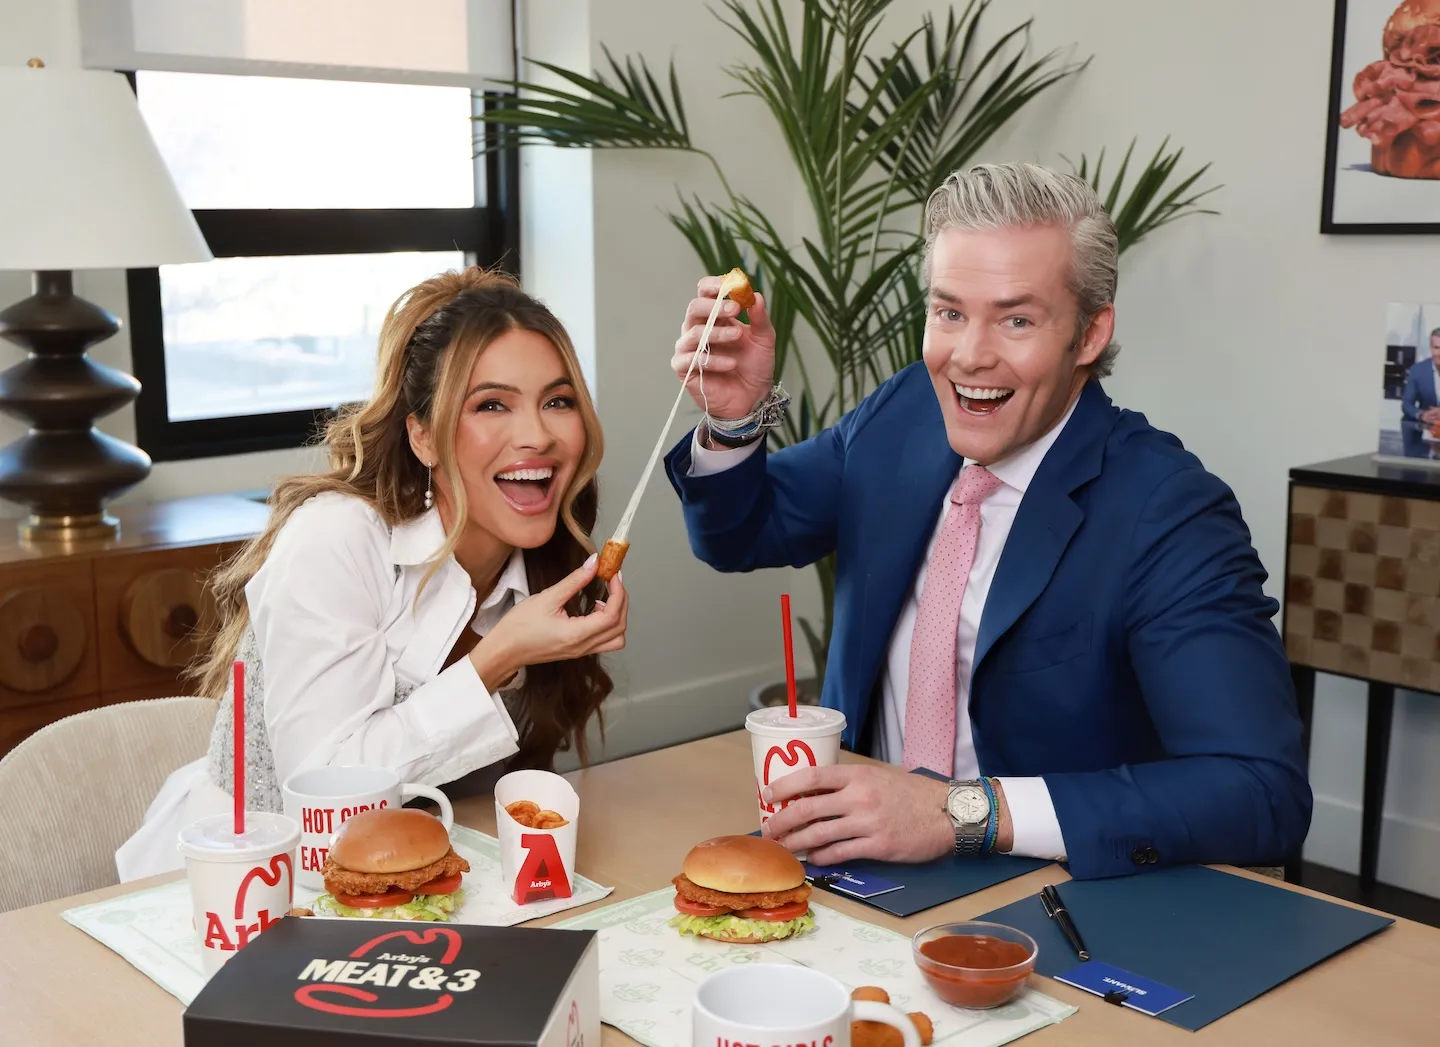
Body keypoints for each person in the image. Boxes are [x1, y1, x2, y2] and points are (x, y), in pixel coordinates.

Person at [663, 163, 1311, 880]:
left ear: (1090, 333)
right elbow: (744, 531)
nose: (969, 356)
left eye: (1017, 319)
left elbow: (1261, 793)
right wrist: (732, 419)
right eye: (948, 312)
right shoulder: (906, 412)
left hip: (1049, 901)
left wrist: (963, 814)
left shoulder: (1169, 510)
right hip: (849, 869)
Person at [116, 267, 627, 881]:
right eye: (492, 404)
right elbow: (327, 801)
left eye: (558, 402)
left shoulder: (551, 571)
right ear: (423, 437)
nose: (538, 435)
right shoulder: (334, 539)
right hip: (242, 885)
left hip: (418, 886)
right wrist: (497, 657)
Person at [1400, 328, 1440, 428]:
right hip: (1427, 430)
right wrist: (1422, 414)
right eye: (1437, 348)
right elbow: (1407, 404)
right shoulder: (1417, 370)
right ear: (1431, 348)